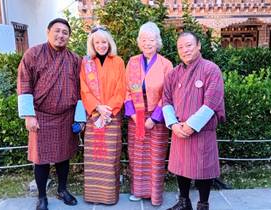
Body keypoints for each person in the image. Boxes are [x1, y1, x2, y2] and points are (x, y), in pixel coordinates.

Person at [17, 18, 86, 210]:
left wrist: (80, 118)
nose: (61, 35)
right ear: (48, 32)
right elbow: (24, 84)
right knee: (41, 159)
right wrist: (29, 115)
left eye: (65, 32)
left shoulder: (74, 59)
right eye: (57, 31)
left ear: (69, 37)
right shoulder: (33, 54)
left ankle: (62, 190)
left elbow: (82, 90)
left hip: (66, 115)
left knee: (64, 156)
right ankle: (41, 197)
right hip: (41, 116)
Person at [162, 31, 225, 210]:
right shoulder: (173, 74)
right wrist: (173, 124)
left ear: (198, 45)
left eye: (188, 45)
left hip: (201, 130)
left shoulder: (211, 69)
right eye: (180, 47)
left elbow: (212, 101)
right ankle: (184, 202)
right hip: (178, 129)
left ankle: (203, 204)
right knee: (181, 167)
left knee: (203, 170)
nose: (185, 50)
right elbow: (165, 99)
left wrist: (191, 125)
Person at [124, 21, 173, 206]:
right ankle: (137, 191)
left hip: (156, 117)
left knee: (156, 155)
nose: (147, 43)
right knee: (137, 155)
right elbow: (126, 90)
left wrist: (154, 118)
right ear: (139, 41)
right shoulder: (133, 62)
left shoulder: (166, 64)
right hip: (136, 115)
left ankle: (155, 195)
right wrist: (134, 115)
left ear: (157, 41)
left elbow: (168, 94)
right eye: (144, 39)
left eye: (151, 39)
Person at [80, 26, 126, 205]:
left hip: (111, 117)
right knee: (94, 158)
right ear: (92, 44)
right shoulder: (86, 63)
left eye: (104, 42)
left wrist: (109, 110)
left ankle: (108, 196)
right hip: (94, 117)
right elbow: (83, 88)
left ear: (109, 43)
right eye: (97, 42)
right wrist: (97, 108)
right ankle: (93, 195)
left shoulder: (119, 62)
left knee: (110, 158)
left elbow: (121, 88)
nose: (101, 45)